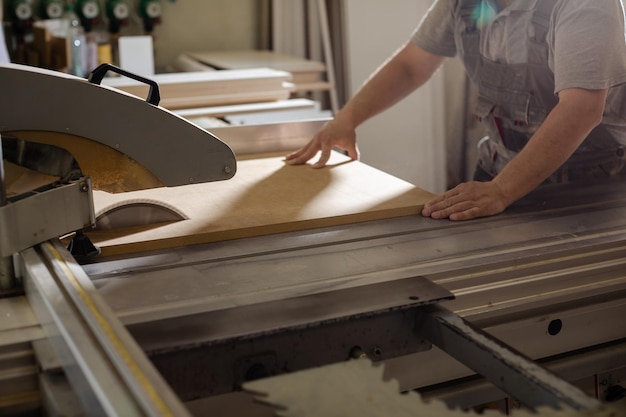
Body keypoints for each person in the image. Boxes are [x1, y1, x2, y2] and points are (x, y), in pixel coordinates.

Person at [285, 0, 626, 221]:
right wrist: (345, 120)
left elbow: (580, 109)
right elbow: (411, 65)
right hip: (500, 169)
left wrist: (502, 191)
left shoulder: (585, 5)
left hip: (588, 187)